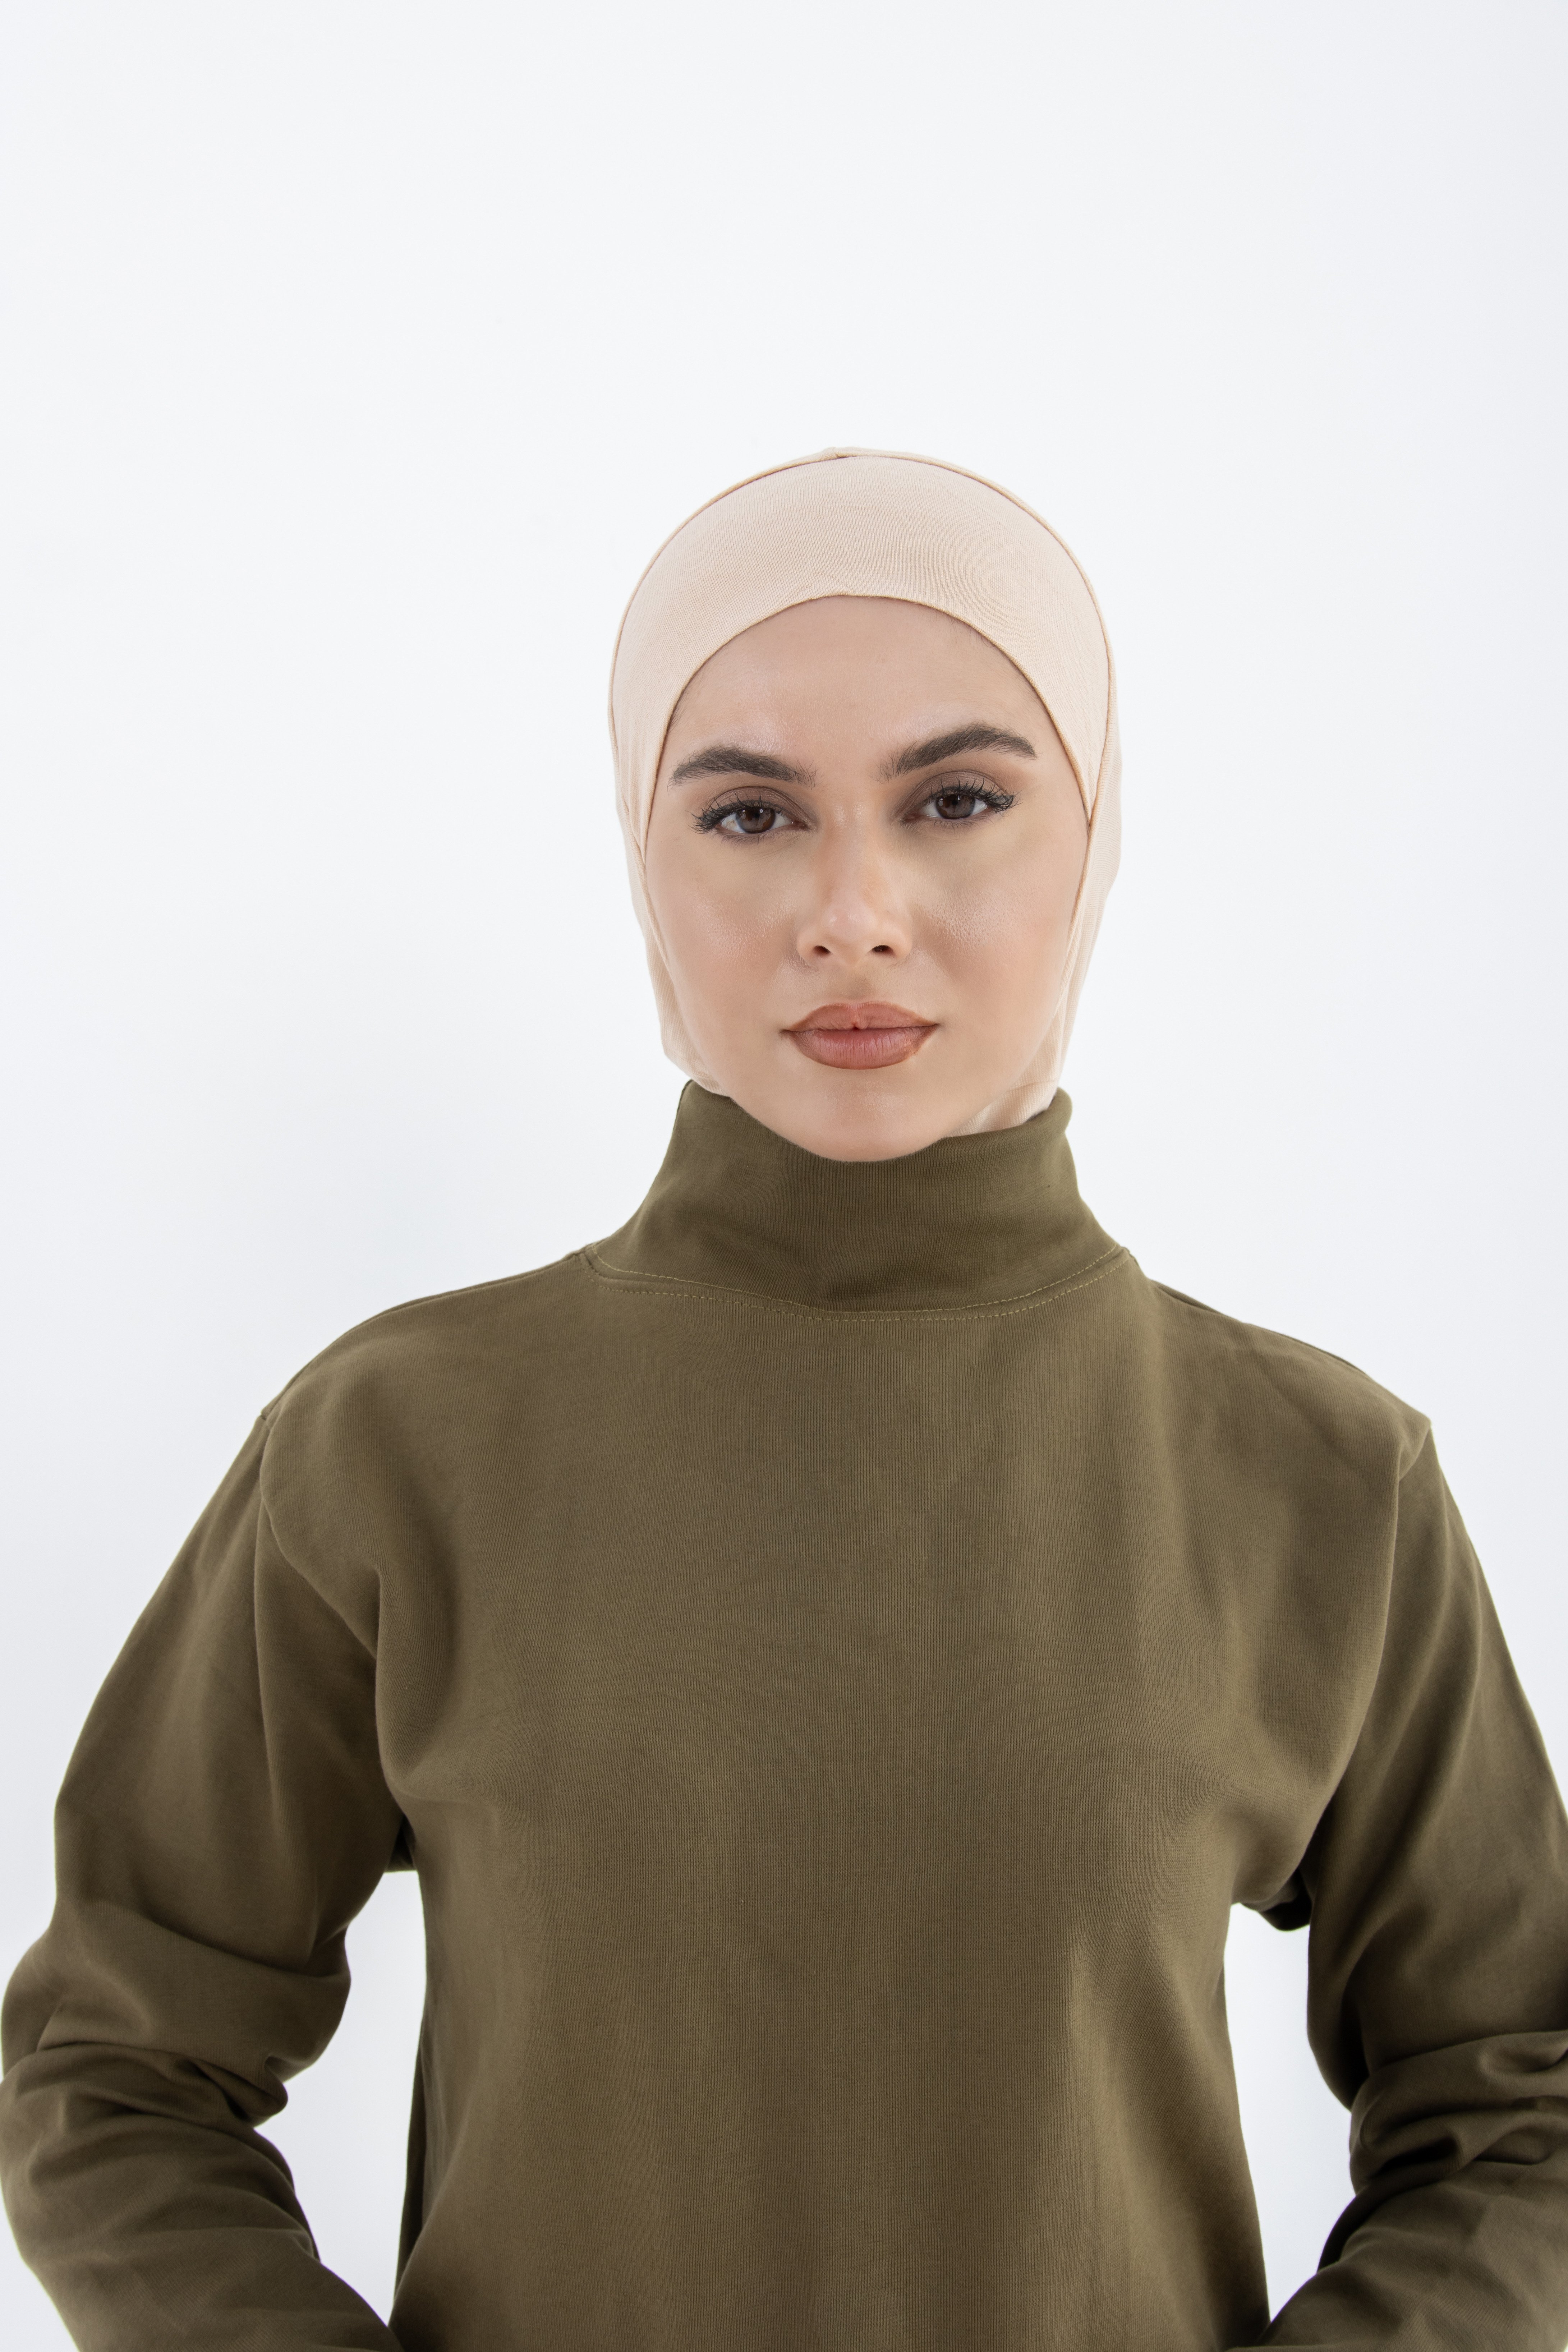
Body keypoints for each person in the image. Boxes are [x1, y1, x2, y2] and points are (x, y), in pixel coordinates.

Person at [3, 448, 1567, 2352]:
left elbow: (1523, 2103)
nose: (853, 910)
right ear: (642, 858)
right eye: (750, 813)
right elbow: (113, 2066)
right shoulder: (395, 1445)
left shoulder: (1319, 1480)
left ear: (1096, 837)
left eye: (958, 799)